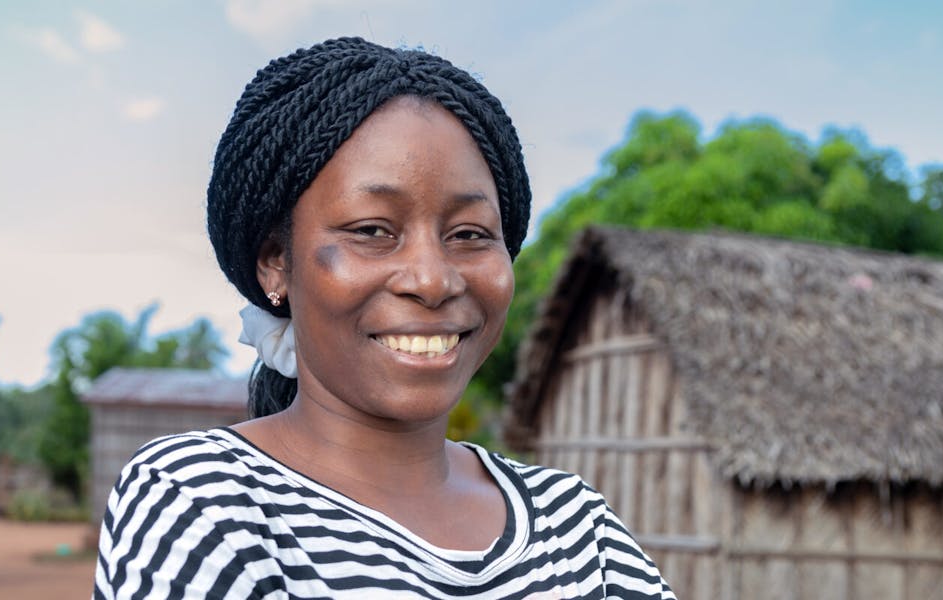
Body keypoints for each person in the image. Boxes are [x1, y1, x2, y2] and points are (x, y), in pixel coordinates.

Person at [92, 37, 675, 599]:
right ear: (275, 262)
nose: (432, 280)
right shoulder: (205, 502)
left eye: (470, 234)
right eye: (372, 230)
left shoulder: (575, 527)